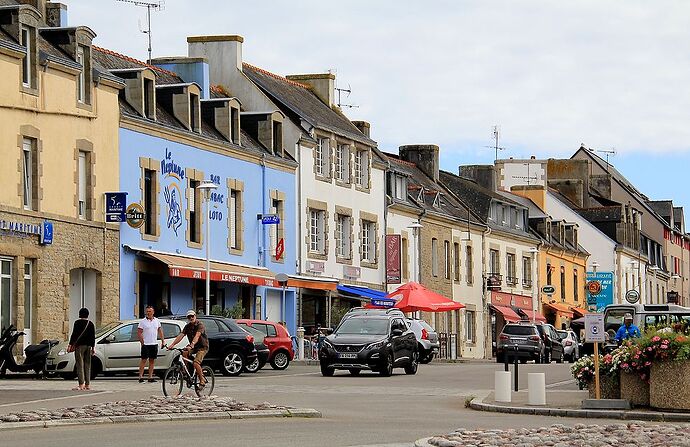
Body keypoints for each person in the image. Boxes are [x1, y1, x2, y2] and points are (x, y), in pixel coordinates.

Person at [166, 310, 208, 388]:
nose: (191, 318)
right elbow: (181, 335)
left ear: (195, 316)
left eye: (192, 316)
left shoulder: (200, 325)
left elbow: (197, 336)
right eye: (189, 317)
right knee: (184, 353)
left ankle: (202, 379)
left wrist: (191, 345)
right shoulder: (187, 326)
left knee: (196, 362)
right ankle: (187, 372)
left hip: (202, 347)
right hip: (193, 347)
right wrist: (172, 345)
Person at [68, 308, 95, 391]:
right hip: (88, 346)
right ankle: (87, 384)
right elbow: (92, 336)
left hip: (79, 346)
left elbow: (74, 334)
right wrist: (93, 347)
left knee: (80, 364)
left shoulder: (77, 323)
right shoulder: (90, 324)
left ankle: (81, 384)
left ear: (80, 314)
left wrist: (70, 344)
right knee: (87, 365)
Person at [138, 305, 165, 383]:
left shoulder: (157, 321)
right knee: (143, 360)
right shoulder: (142, 321)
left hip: (154, 343)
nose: (148, 313)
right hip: (146, 343)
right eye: (147, 311)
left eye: (150, 311)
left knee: (152, 360)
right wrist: (142, 342)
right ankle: (140, 376)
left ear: (153, 312)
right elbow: (139, 332)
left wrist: (163, 340)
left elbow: (160, 331)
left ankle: (150, 377)